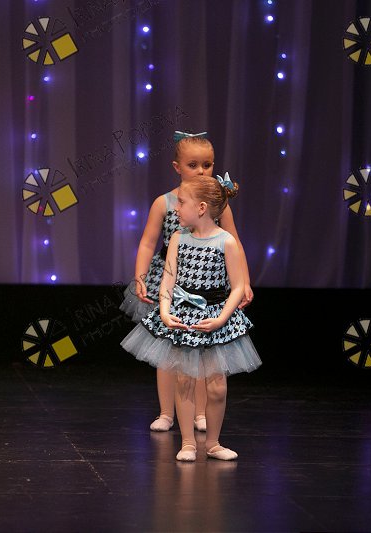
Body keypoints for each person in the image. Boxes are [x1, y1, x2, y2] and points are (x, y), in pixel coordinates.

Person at [119, 131, 254, 433]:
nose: (202, 171)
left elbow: (235, 243)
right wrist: (141, 275)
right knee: (169, 350)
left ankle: (201, 413)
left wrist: (244, 281)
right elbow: (148, 242)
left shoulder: (218, 205)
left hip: (206, 284)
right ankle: (167, 412)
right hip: (170, 278)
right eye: (193, 165)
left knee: (203, 351)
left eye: (208, 165)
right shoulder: (165, 203)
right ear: (177, 167)